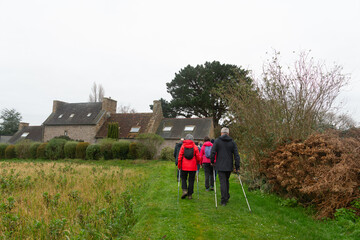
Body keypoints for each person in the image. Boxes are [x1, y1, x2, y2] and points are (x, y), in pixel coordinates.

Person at [210, 127, 240, 206]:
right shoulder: (232, 142)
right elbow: (236, 155)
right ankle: (226, 196)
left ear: (221, 133)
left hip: (220, 165)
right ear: (228, 133)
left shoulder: (217, 141)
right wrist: (237, 166)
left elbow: (213, 152)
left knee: (223, 182)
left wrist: (212, 161)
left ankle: (224, 200)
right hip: (229, 165)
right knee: (226, 181)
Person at [178, 134, 201, 199]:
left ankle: (184, 190)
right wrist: (198, 163)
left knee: (184, 179)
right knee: (191, 180)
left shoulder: (183, 146)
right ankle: (190, 194)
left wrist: (179, 165)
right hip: (193, 166)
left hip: (184, 166)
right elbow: (198, 157)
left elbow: (180, 157)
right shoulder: (195, 147)